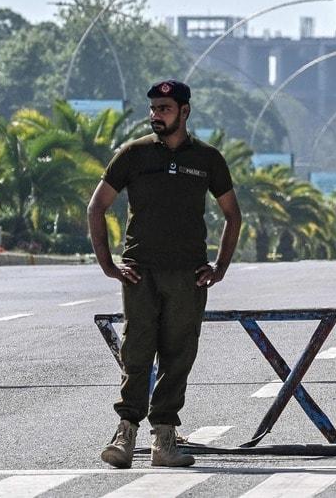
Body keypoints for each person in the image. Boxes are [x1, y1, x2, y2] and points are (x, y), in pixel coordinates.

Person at [89, 80, 243, 469]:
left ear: (185, 111)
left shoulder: (207, 159)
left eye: (165, 109)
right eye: (154, 109)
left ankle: (164, 439)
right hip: (141, 272)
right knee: (136, 352)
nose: (157, 115)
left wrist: (220, 267)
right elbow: (97, 206)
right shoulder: (134, 154)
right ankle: (125, 432)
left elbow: (232, 214)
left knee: (178, 355)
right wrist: (108, 265)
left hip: (188, 275)